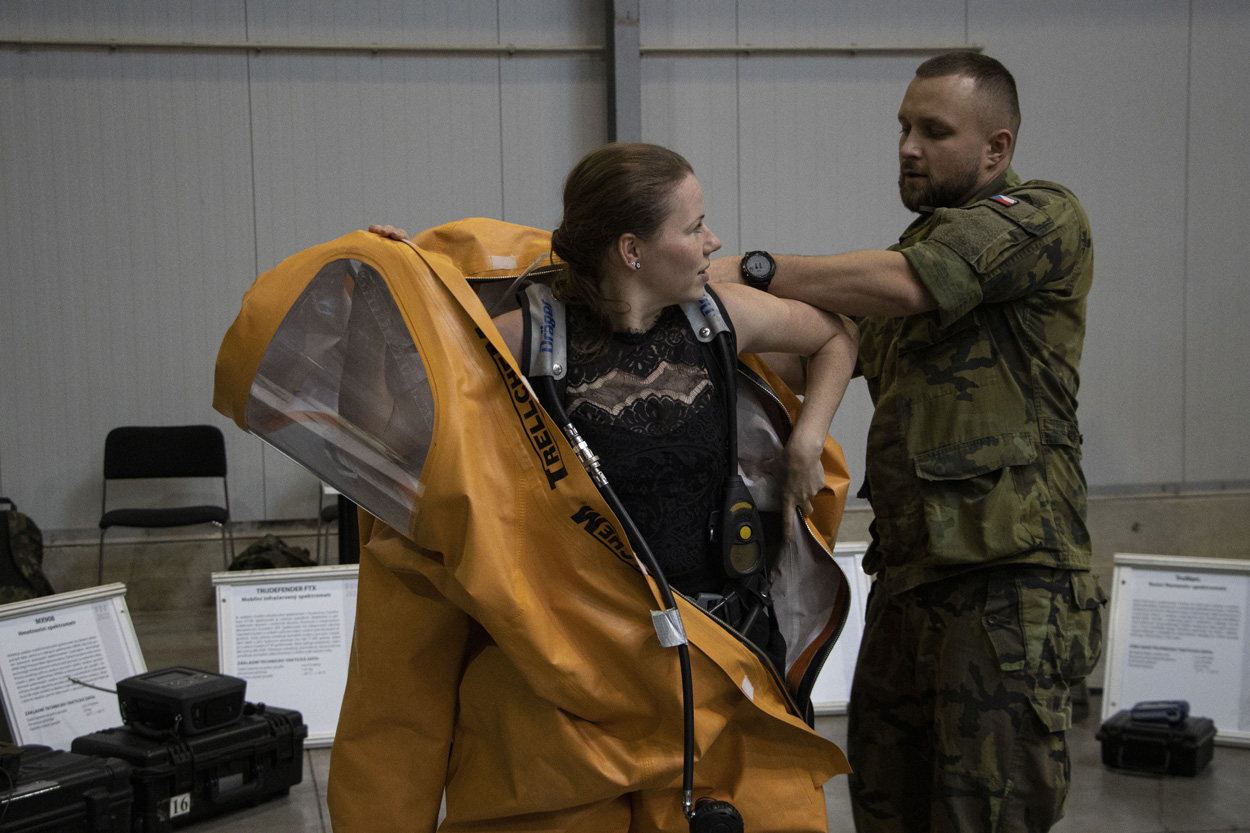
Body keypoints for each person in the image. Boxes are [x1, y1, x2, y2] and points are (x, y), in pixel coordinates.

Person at [357, 141, 859, 831]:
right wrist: (390, 291)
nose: (714, 241)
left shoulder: (720, 317)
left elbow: (836, 337)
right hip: (577, 676)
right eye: (694, 227)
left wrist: (808, 437)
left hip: (714, 656)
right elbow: (397, 419)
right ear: (632, 250)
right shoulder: (525, 339)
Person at [710, 52, 1106, 832]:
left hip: (1006, 587)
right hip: (907, 584)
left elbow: (909, 281)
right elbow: (812, 353)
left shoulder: (1041, 217)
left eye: (934, 131)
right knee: (887, 805)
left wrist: (755, 269)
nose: (908, 148)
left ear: (995, 147)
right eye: (903, 127)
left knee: (982, 814)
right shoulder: (910, 265)